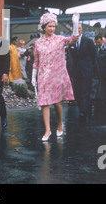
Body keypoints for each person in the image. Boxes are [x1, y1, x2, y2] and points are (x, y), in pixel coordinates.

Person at [32, 13, 79, 141]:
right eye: (49, 26)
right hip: (43, 76)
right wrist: (33, 76)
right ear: (44, 26)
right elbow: (36, 61)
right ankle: (47, 130)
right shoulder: (38, 43)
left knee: (56, 102)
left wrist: (75, 24)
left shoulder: (59, 39)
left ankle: (59, 123)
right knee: (44, 103)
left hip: (56, 76)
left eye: (53, 26)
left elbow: (73, 39)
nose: (52, 28)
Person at [67, 23, 96, 121]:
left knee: (85, 91)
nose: (78, 30)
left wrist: (93, 70)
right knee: (77, 92)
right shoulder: (71, 43)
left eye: (79, 28)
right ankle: (83, 108)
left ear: (82, 29)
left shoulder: (88, 41)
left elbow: (94, 56)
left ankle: (83, 111)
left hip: (87, 71)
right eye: (76, 28)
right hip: (76, 72)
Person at [92, 35, 106, 108]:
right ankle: (99, 99)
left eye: (99, 42)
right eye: (96, 42)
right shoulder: (96, 48)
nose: (97, 44)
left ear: (102, 40)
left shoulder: (104, 48)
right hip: (98, 69)